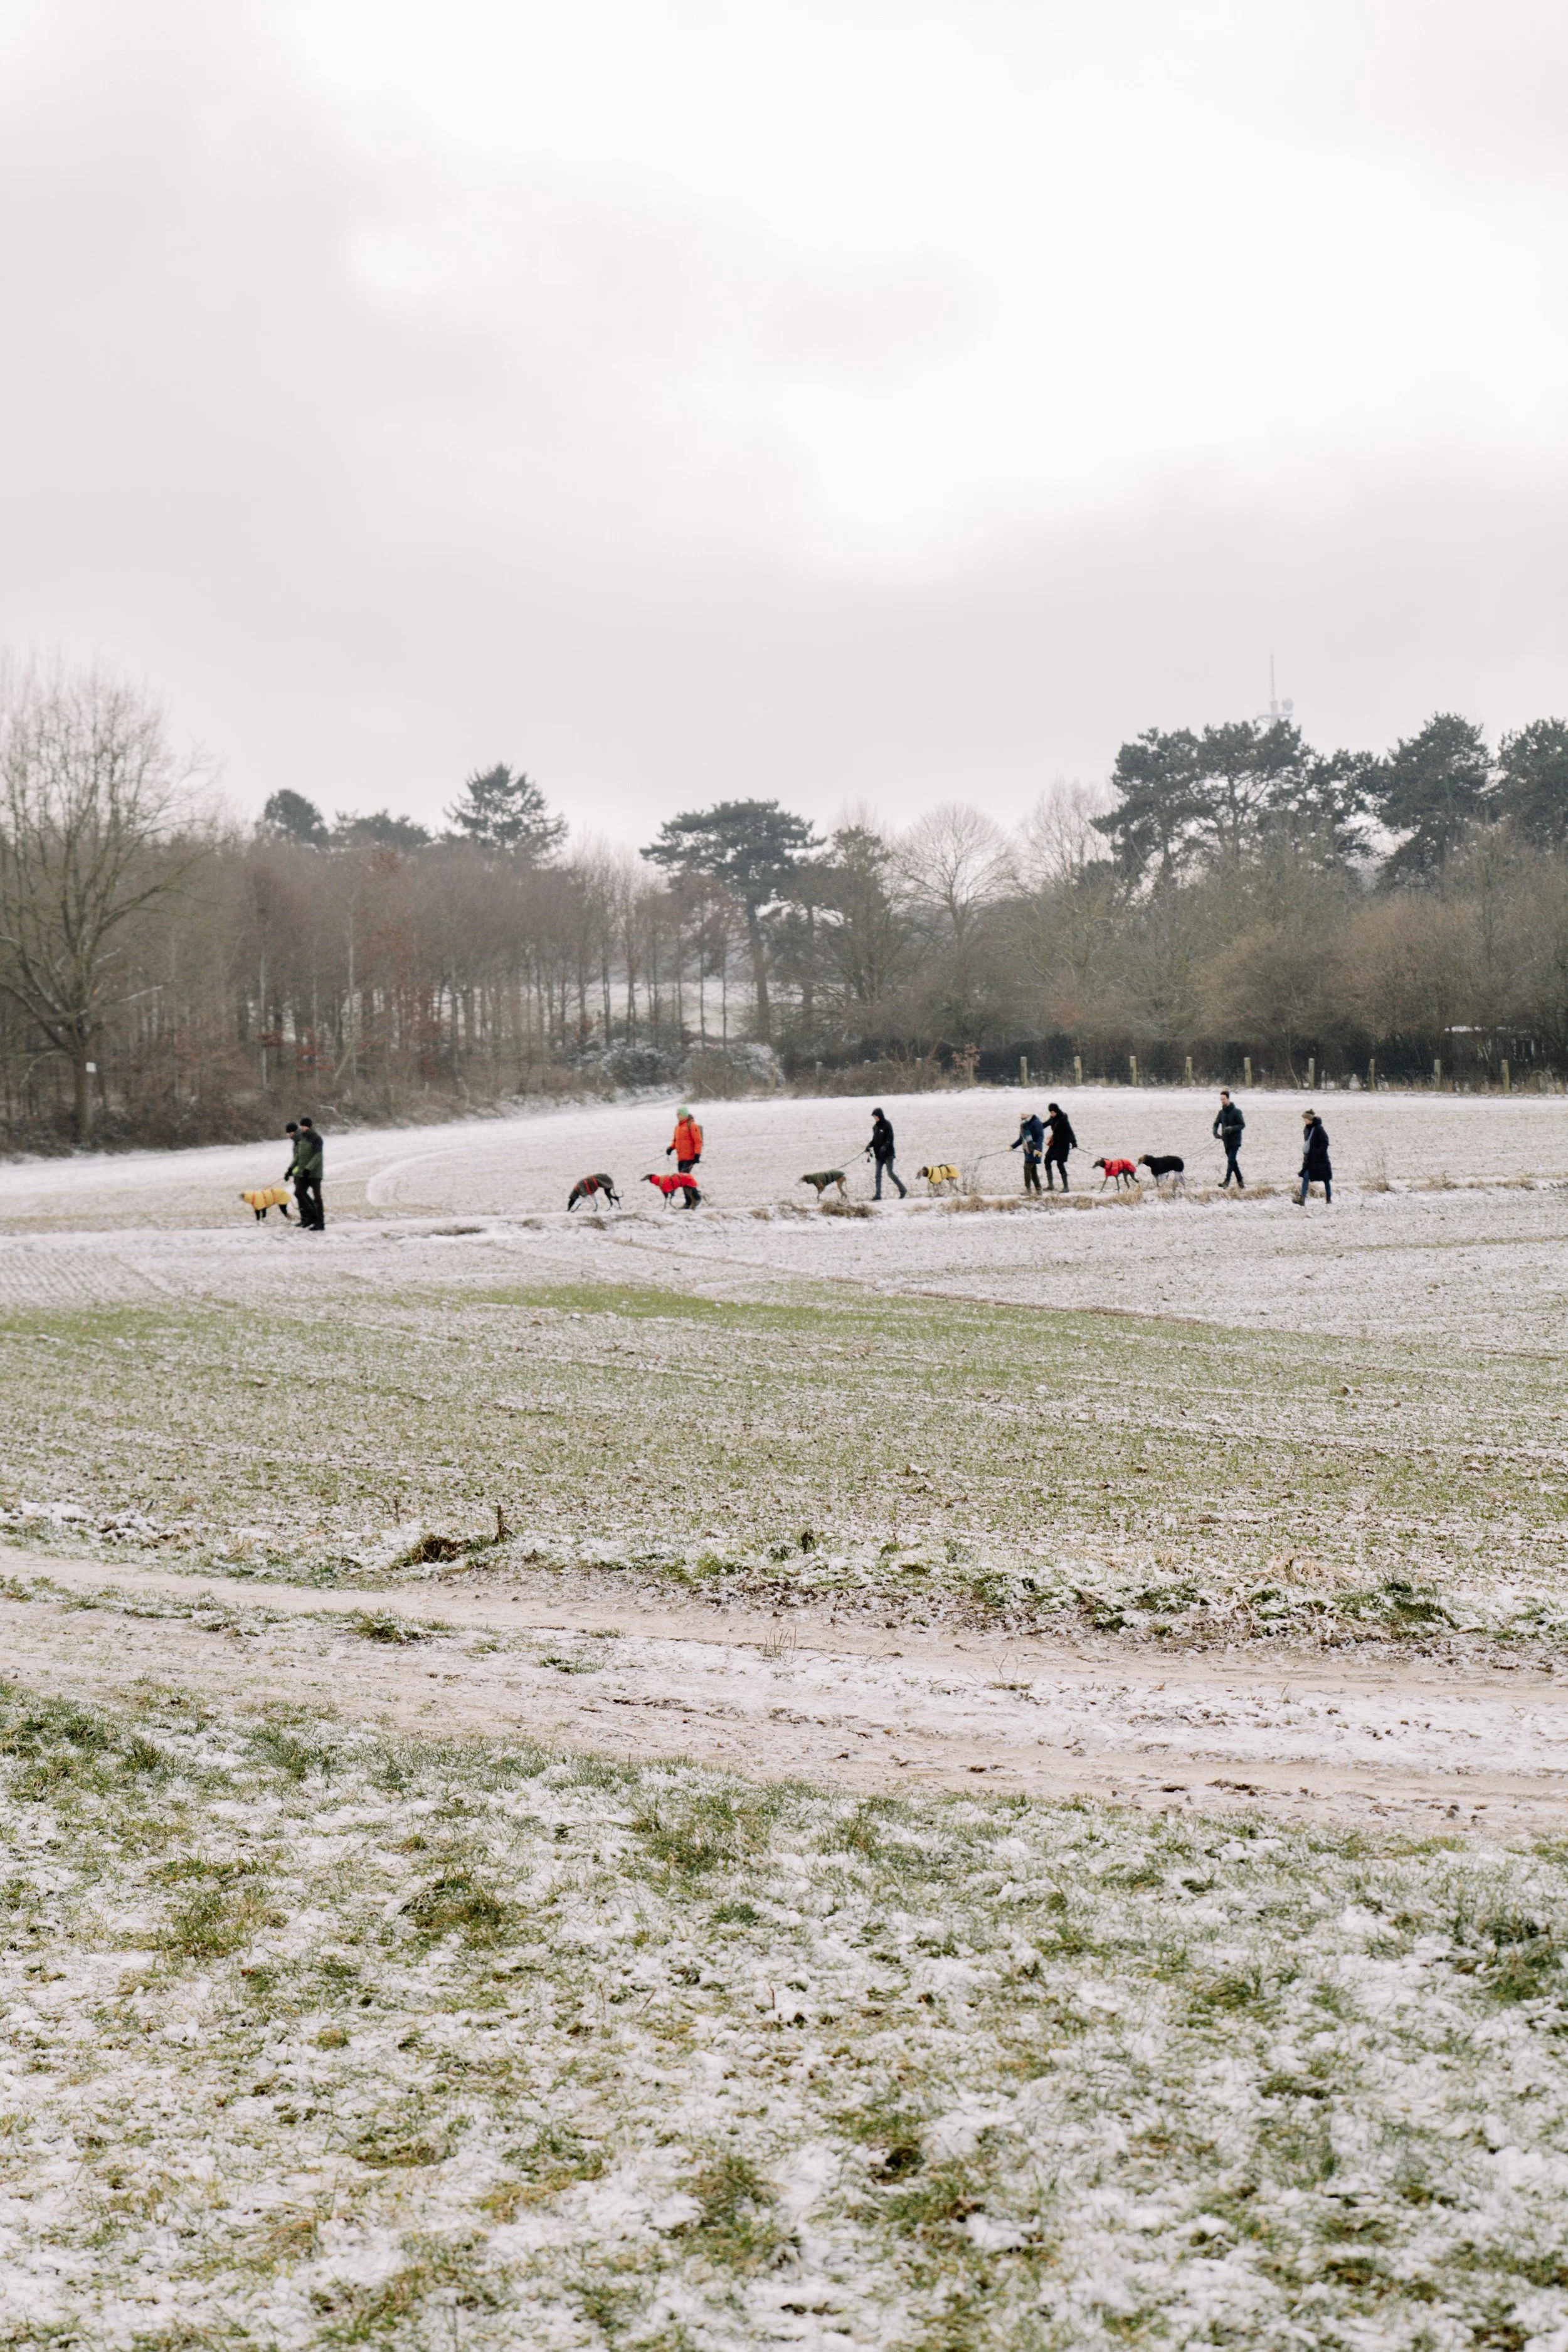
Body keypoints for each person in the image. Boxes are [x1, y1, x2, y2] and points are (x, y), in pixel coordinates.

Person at [289, 1115, 325, 1229]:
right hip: (304, 1173)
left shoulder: (317, 1138)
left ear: (309, 1126)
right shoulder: (302, 1139)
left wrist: (309, 1168)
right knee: (299, 1193)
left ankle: (320, 1222)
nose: (302, 1128)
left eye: (304, 1126)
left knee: (317, 1198)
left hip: (314, 1173)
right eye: (302, 1126)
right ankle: (311, 1217)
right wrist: (290, 1170)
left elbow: (318, 1156)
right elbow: (298, 1157)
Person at [866, 1107, 906, 1199]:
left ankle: (903, 1190)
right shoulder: (875, 1127)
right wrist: (869, 1145)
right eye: (874, 1117)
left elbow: (890, 1138)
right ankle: (878, 1195)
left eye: (876, 1116)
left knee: (890, 1173)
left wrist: (885, 1146)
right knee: (878, 1175)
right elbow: (875, 1140)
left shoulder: (887, 1125)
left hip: (888, 1155)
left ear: (880, 1116)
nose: (875, 1118)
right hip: (879, 1156)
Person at [1297, 1108, 1332, 1204]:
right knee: (1306, 1177)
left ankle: (1329, 1198)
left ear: (1310, 1119)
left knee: (1326, 1179)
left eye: (1305, 1119)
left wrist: (1318, 1153)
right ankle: (1302, 1199)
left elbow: (1325, 1142)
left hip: (1320, 1159)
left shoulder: (1319, 1128)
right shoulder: (1307, 1128)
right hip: (1310, 1159)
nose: (1304, 1120)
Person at [1214, 1089, 1245, 1189]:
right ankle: (1241, 1183)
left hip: (1235, 1141)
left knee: (1231, 1161)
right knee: (1233, 1162)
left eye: (1224, 1099)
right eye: (1221, 1099)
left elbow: (1242, 1125)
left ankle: (1227, 1181)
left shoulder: (1237, 1112)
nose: (1222, 1101)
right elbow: (1216, 1124)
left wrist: (1231, 1128)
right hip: (1226, 1141)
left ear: (1228, 1099)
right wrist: (1215, 1132)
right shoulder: (1221, 1113)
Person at [1043, 1101, 1077, 1191]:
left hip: (1063, 1145)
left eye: (1053, 1112)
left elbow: (1070, 1131)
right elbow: (1044, 1125)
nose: (1051, 1114)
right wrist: (1035, 1127)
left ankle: (1066, 1187)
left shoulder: (1063, 1119)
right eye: (1050, 1112)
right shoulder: (1051, 1119)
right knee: (1047, 1160)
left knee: (1060, 1164)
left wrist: (1073, 1142)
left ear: (1057, 1111)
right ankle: (1051, 1186)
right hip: (1055, 1144)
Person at [1011, 1110, 1044, 1194]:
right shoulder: (1023, 1124)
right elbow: (1021, 1139)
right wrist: (1012, 1146)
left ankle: (1028, 1190)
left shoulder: (1037, 1123)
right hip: (1027, 1150)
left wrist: (1038, 1149)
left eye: (1023, 1114)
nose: (1021, 1116)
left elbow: (1041, 1137)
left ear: (1029, 1113)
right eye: (1021, 1114)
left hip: (1035, 1150)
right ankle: (1039, 1190)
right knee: (1033, 1171)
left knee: (1027, 1168)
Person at [666, 1106, 703, 1174]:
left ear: (683, 1114)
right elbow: (675, 1141)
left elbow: (698, 1141)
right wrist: (671, 1148)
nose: (677, 1116)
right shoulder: (677, 1127)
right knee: (681, 1178)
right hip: (681, 1158)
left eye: (679, 1114)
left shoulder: (692, 1125)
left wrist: (697, 1154)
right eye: (677, 1114)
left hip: (690, 1158)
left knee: (683, 1177)